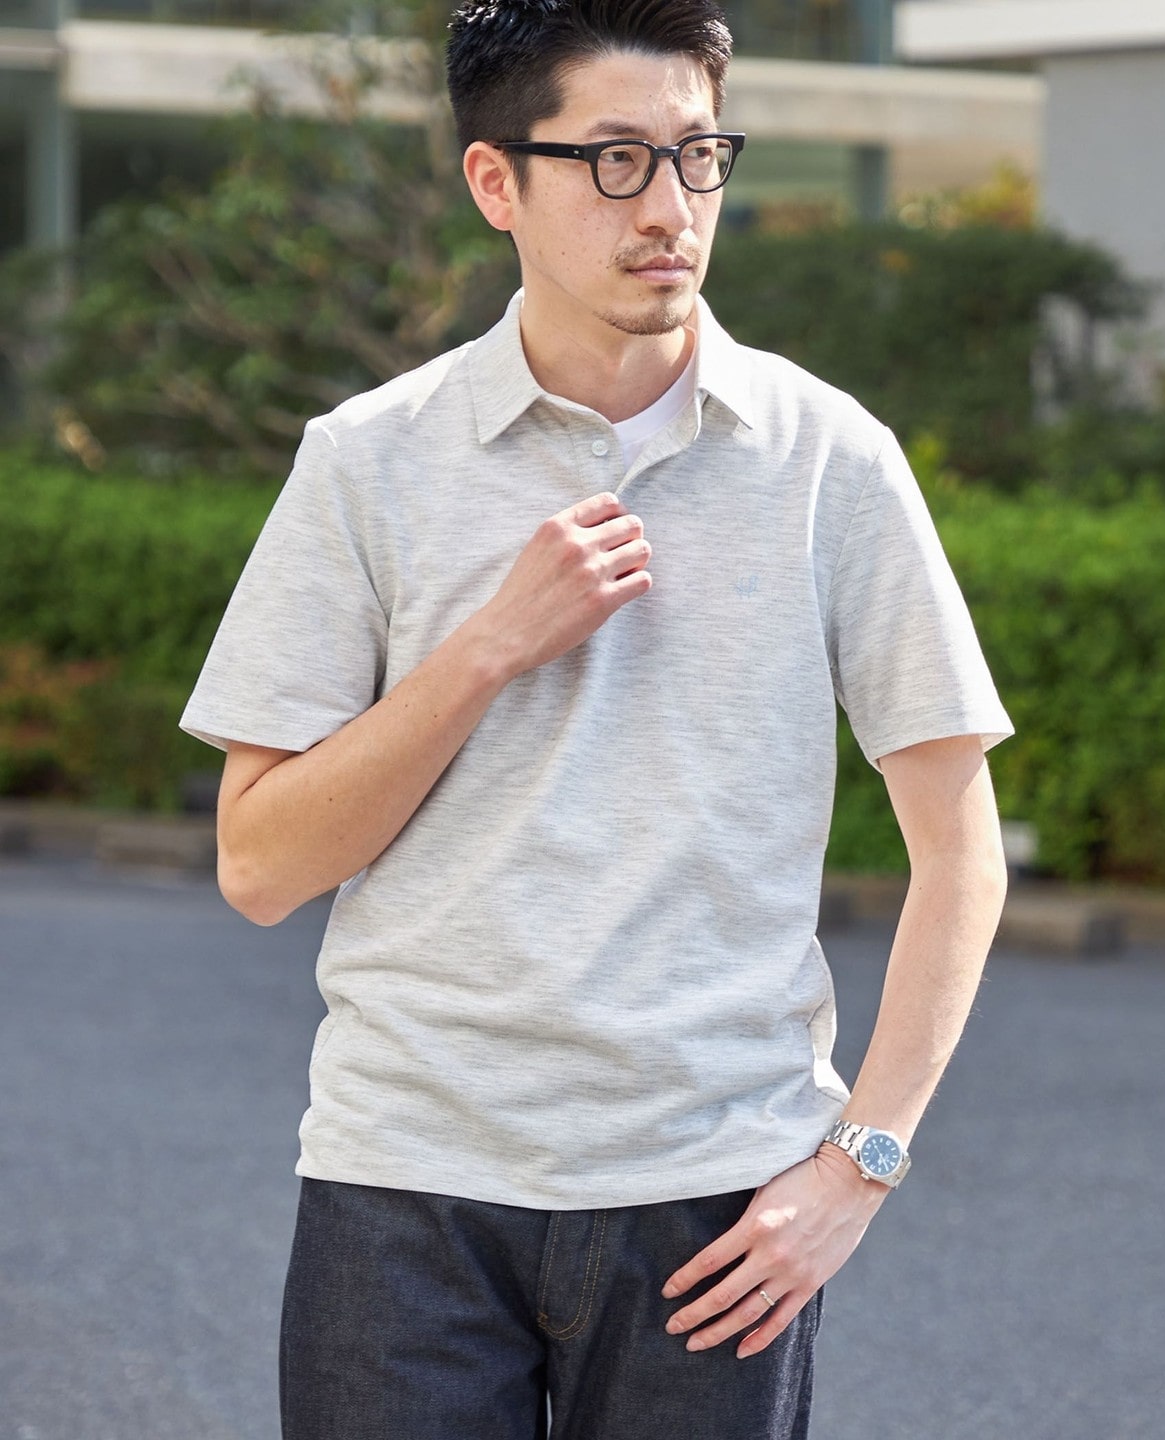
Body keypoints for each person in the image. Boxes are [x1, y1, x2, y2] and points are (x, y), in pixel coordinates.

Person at [181, 1, 1013, 1435]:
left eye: (700, 156)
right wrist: (487, 649)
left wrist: (858, 1166)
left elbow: (960, 851)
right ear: (496, 181)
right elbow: (259, 865)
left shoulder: (832, 460)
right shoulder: (366, 462)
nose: (671, 208)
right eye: (615, 160)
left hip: (718, 1199)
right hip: (407, 1187)